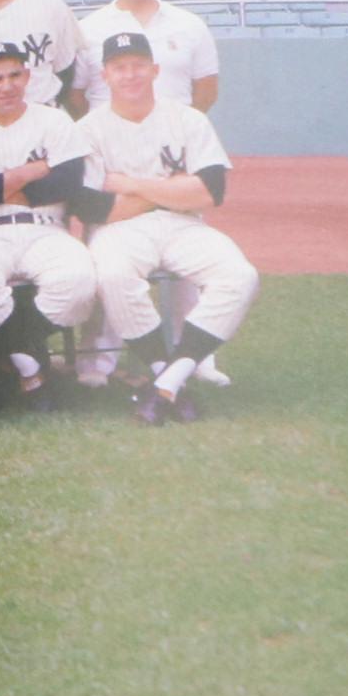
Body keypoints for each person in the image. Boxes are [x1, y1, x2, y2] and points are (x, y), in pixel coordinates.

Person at [76, 28, 260, 424]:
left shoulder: (187, 119)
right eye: (119, 67)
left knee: (240, 275)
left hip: (183, 226)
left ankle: (169, 381)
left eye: (138, 66)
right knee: (112, 275)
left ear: (155, 69)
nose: (130, 75)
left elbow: (212, 191)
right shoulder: (89, 129)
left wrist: (132, 185)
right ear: (105, 75)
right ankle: (166, 376)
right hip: (121, 231)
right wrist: (174, 188)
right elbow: (92, 208)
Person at [0, 41, 101, 402]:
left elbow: (68, 181)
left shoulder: (53, 120)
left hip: (45, 228)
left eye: (15, 75)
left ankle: (11, 357)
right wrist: (34, 170)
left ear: (28, 77)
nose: (7, 85)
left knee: (78, 279)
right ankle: (33, 366)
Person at [80, 0, 221, 110]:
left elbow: (207, 90)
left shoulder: (190, 25)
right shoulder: (87, 30)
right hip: (109, 136)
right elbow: (74, 96)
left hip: (176, 135)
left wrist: (181, 126)